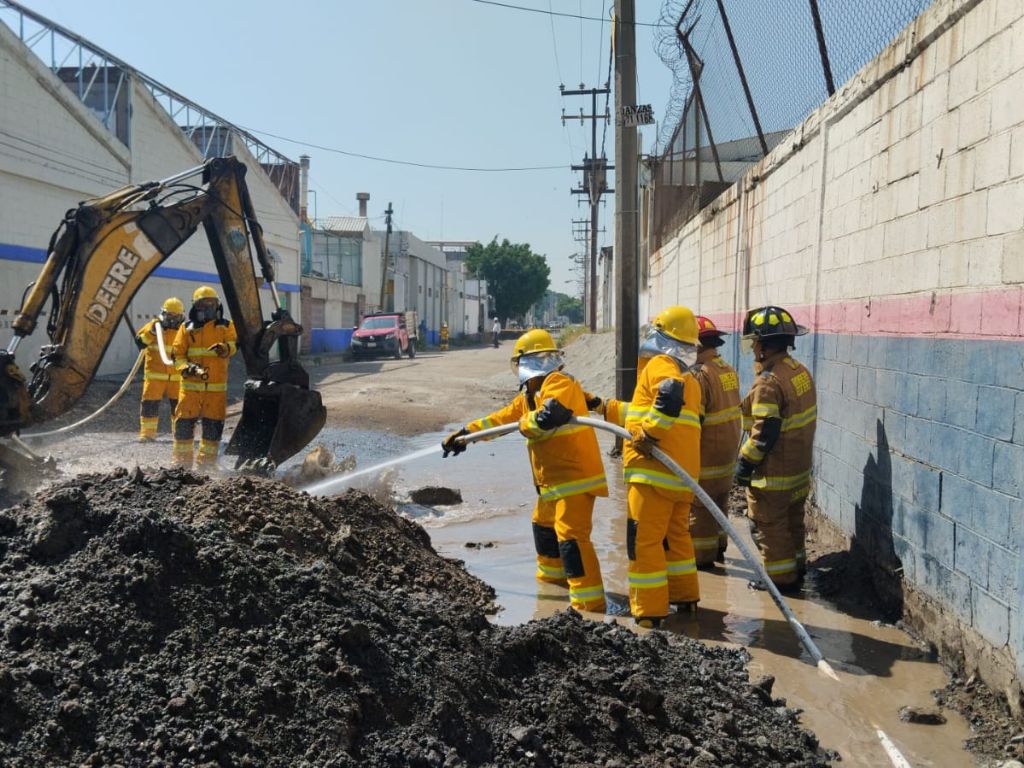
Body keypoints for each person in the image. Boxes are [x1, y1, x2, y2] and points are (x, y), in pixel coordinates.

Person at [442, 328, 608, 612]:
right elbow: (501, 419)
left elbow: (547, 417)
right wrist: (466, 434)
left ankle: (589, 605)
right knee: (543, 527)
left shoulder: (559, 383)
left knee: (572, 539)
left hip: (575, 480)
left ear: (530, 361)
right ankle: (552, 588)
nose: (518, 369)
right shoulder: (530, 394)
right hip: (551, 485)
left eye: (520, 363)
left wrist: (524, 424)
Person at [601, 306, 702, 628]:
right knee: (676, 540)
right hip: (681, 478)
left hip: (653, 474)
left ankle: (648, 613)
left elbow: (666, 400)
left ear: (661, 336)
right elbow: (643, 410)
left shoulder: (662, 365)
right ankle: (685, 599)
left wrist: (648, 435)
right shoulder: (691, 378)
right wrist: (602, 408)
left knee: (643, 542)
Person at [736, 305, 816, 592]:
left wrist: (744, 465)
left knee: (770, 527)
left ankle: (781, 581)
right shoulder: (799, 371)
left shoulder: (769, 383)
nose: (753, 348)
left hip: (775, 476)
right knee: (793, 523)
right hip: (798, 472)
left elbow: (764, 434)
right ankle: (797, 568)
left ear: (765, 346)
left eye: (754, 342)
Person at [690, 316, 742, 568]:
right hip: (726, 457)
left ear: (696, 345)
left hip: (706, 457)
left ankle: (702, 560)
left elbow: (693, 424)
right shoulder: (727, 369)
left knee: (700, 508)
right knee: (719, 503)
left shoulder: (700, 376)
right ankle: (718, 548)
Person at [171, 286, 237, 468]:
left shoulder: (226, 326)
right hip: (190, 389)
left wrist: (225, 349)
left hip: (215, 390)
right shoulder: (186, 328)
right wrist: (187, 368)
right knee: (184, 426)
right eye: (203, 304)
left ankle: (206, 466)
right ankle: (181, 467)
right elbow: (177, 355)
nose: (208, 307)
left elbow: (234, 344)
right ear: (195, 307)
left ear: (217, 305)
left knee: (213, 428)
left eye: (211, 303)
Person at [135, 298, 184, 441]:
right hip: (155, 376)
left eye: (176, 317)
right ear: (163, 314)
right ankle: (147, 435)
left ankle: (180, 434)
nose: (173, 320)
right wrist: (152, 332)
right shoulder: (154, 326)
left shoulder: (184, 330)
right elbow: (140, 342)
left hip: (176, 377)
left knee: (179, 407)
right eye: (170, 316)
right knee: (150, 405)